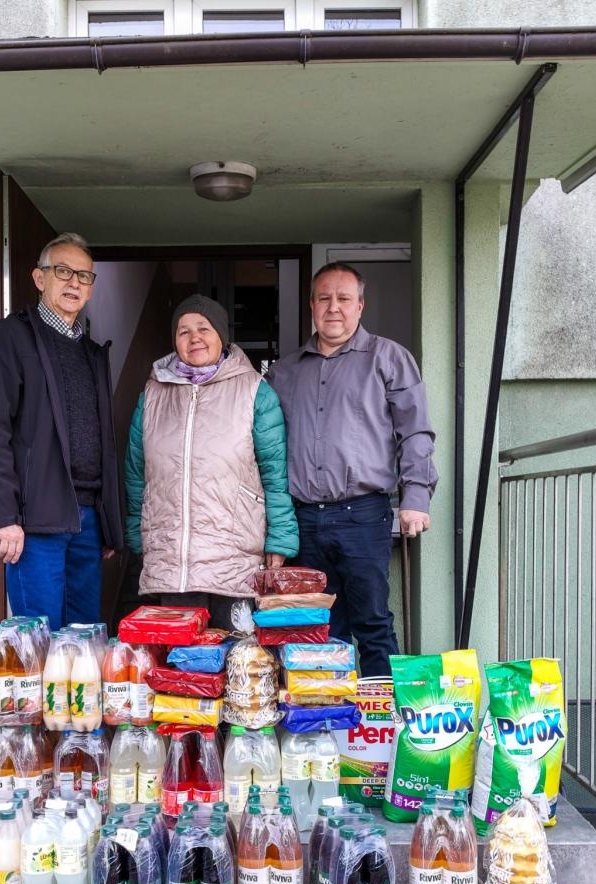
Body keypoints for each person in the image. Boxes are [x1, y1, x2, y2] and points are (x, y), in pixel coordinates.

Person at [268, 262, 437, 677]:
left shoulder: (389, 358)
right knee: (317, 628)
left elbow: (415, 431)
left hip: (363, 514)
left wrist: (416, 496)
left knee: (373, 623)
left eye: (343, 298)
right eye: (324, 298)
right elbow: (267, 450)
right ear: (311, 305)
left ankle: (381, 715)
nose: (333, 307)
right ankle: (329, 714)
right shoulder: (284, 372)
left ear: (360, 305)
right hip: (304, 520)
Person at [0, 232, 123, 629]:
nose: (74, 282)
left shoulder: (91, 352)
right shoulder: (11, 337)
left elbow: (105, 443)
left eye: (84, 276)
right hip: (35, 520)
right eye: (63, 271)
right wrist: (4, 516)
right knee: (38, 641)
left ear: (91, 288)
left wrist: (108, 523)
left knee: (84, 642)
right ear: (40, 278)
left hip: (87, 520)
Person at [124, 295, 299, 630]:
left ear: (222, 336)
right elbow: (136, 474)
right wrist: (137, 536)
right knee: (180, 658)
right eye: (184, 331)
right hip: (173, 564)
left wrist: (280, 539)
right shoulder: (152, 395)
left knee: (239, 655)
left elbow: (275, 474)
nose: (195, 338)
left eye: (203, 328)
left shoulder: (255, 391)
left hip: (234, 560)